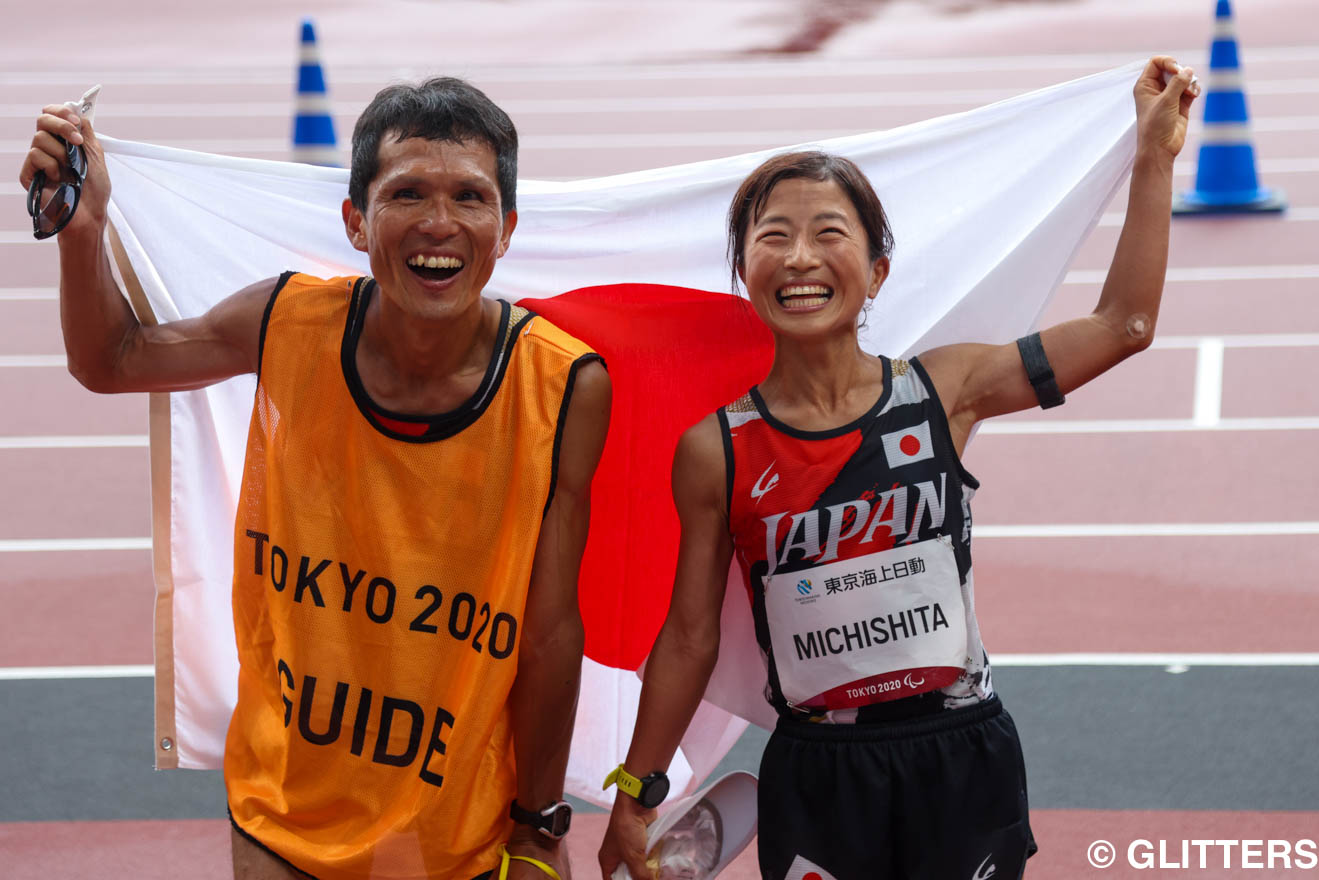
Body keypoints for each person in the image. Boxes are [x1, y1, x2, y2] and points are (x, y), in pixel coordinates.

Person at [598, 57, 1198, 880]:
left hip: (960, 752)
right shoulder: (717, 445)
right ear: (743, 273)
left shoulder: (942, 388)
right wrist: (637, 791)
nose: (800, 257)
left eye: (829, 234)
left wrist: (1152, 157)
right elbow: (690, 636)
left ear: (876, 271)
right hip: (819, 768)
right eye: (772, 236)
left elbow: (1123, 325)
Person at [21, 76, 610, 880]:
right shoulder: (285, 323)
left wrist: (540, 823)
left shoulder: (563, 385)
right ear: (356, 222)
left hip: (456, 833)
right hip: (283, 817)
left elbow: (547, 635)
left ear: (504, 228)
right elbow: (111, 360)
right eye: (406, 193)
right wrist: (81, 231)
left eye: (469, 197)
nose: (439, 224)